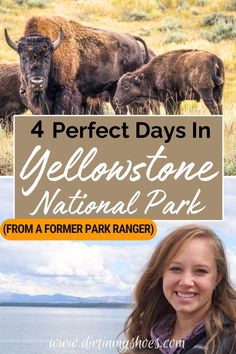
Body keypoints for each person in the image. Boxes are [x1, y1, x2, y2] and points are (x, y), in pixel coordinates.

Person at [122, 224, 236, 354]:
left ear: (217, 278)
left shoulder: (231, 341)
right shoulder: (147, 336)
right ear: (161, 274)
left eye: (200, 271)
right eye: (175, 269)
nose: (186, 282)